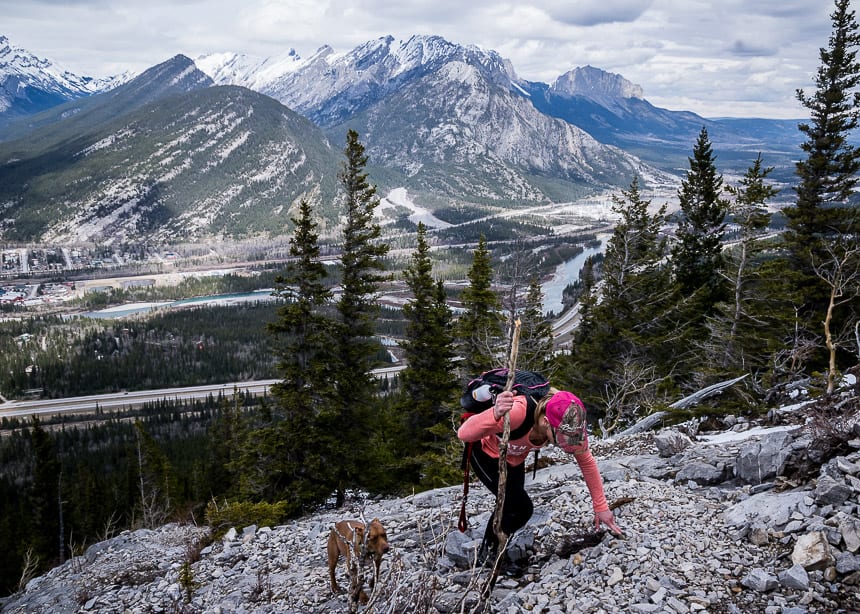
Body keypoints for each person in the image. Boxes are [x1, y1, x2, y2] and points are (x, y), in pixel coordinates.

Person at [457, 387, 622, 564]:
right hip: (485, 453)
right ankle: (488, 555)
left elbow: (587, 462)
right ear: (545, 422)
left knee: (514, 508)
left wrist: (601, 507)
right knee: (519, 507)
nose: (565, 442)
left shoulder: (569, 418)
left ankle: (498, 549)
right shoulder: (517, 413)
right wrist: (495, 413)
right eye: (560, 437)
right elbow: (463, 433)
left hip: (513, 459)